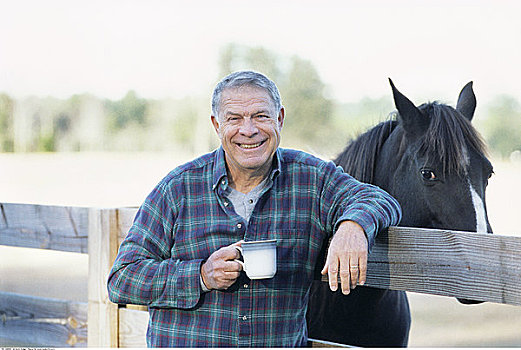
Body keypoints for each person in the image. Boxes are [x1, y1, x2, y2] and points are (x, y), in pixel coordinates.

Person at [107, 70, 402, 347]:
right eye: (234, 118)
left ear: (280, 119)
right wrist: (201, 275)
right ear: (216, 125)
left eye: (260, 116)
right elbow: (122, 279)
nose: (248, 130)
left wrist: (353, 227)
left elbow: (379, 199)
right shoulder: (178, 188)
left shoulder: (312, 179)